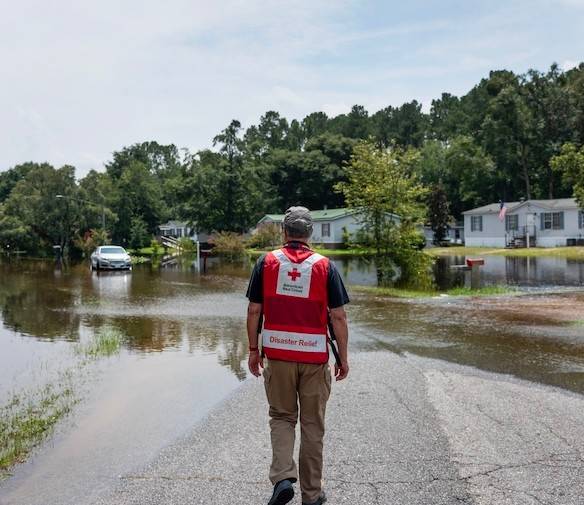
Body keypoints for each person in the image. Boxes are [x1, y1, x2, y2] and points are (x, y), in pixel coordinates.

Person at [246, 206, 350, 505]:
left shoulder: (266, 263)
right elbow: (339, 317)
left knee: (281, 417)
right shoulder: (325, 266)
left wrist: (254, 350)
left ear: (284, 232)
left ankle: (282, 479)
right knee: (312, 425)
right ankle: (312, 495)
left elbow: (254, 310)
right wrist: (343, 357)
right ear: (310, 234)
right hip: (314, 359)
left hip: (277, 354)